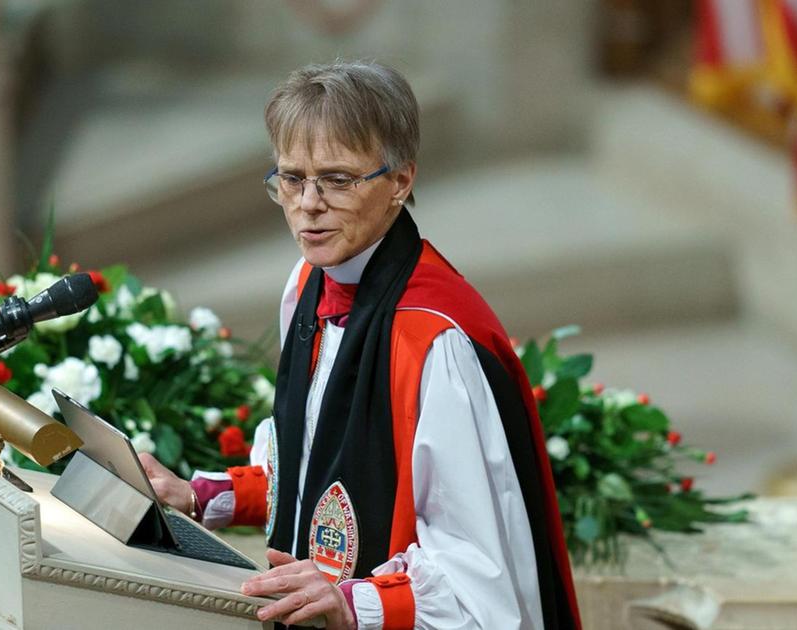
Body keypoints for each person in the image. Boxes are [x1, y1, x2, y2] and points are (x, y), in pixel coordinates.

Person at [140, 60, 581, 630]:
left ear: (401, 181)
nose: (308, 204)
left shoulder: (433, 340)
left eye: (338, 179)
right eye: (291, 178)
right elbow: (319, 471)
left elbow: (479, 583)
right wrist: (202, 495)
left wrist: (354, 602)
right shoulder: (307, 284)